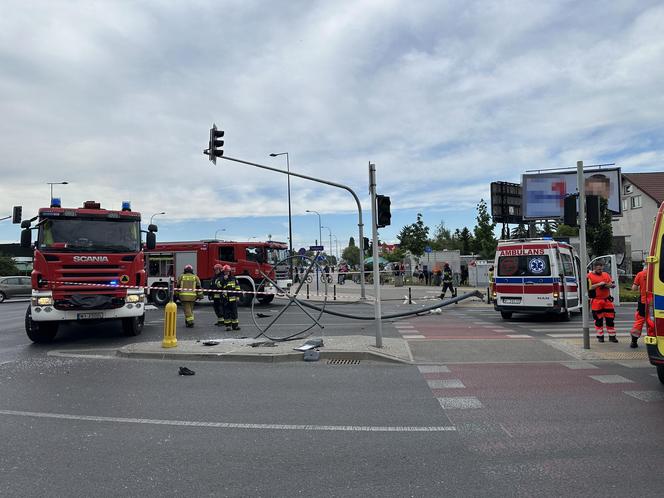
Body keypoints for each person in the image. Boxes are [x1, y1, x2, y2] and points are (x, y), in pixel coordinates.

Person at [587, 261, 617, 343]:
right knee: (598, 320)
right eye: (598, 269)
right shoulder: (589, 276)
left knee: (610, 319)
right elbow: (589, 287)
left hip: (607, 300)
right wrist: (599, 284)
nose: (600, 270)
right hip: (596, 301)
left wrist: (609, 285)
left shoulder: (606, 274)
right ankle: (600, 337)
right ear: (594, 268)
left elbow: (611, 283)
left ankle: (612, 336)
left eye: (601, 268)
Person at [630, 264, 654, 348]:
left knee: (640, 320)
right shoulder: (657, 273)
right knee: (654, 320)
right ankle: (653, 339)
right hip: (655, 301)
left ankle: (634, 341)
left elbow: (634, 288)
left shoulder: (640, 274)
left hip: (643, 301)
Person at [220, 264, 241, 331]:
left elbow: (237, 287)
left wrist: (237, 296)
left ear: (230, 271)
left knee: (234, 312)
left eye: (228, 271)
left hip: (233, 299)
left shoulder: (234, 278)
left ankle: (235, 326)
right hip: (225, 299)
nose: (227, 273)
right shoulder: (221, 278)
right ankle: (228, 326)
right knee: (226, 313)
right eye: (225, 271)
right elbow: (218, 286)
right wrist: (223, 279)